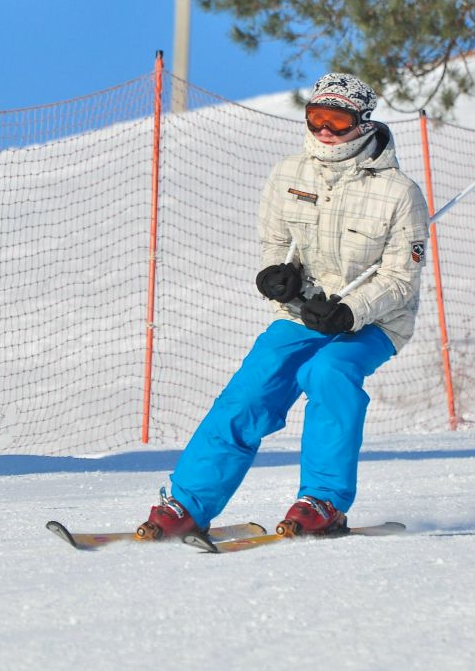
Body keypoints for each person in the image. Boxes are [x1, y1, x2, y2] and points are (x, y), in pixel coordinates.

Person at [135, 72, 430, 540]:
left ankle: (322, 501)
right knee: (250, 392)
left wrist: (349, 311)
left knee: (328, 371)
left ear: (363, 122)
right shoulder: (289, 174)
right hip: (302, 316)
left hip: (373, 323)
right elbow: (275, 241)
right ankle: (187, 505)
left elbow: (399, 280)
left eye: (338, 118)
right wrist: (280, 278)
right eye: (316, 118)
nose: (325, 131)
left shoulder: (399, 193)